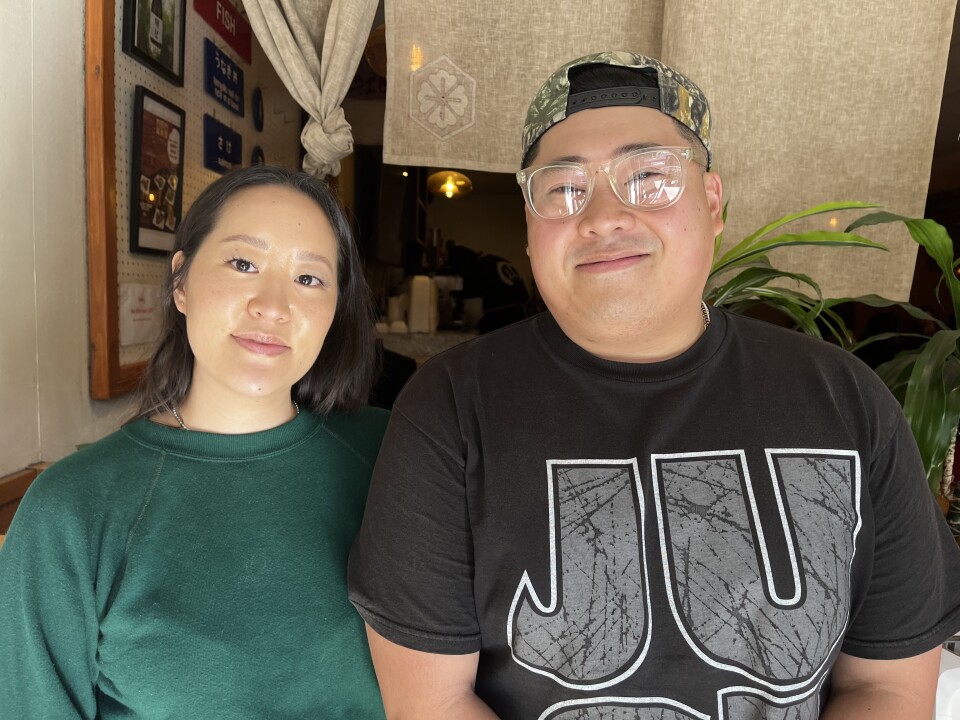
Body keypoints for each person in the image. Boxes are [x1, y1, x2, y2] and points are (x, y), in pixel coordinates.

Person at [347, 52, 960, 719]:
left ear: (713, 201)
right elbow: (432, 703)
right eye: (564, 189)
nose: (604, 215)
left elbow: (887, 689)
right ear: (530, 228)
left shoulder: (846, 400)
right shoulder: (449, 408)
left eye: (649, 177)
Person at [0, 165, 388, 718]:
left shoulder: (393, 456)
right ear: (181, 281)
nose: (273, 305)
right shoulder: (72, 510)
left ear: (334, 308)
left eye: (309, 279)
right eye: (243, 263)